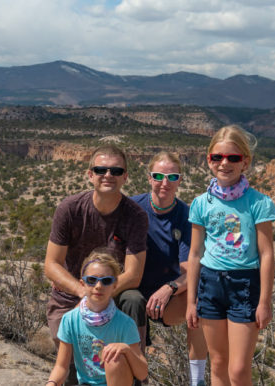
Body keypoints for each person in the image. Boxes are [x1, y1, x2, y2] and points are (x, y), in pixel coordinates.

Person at [44, 144, 149, 384]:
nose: (108, 175)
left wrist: (102, 290)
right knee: (69, 357)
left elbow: (133, 274)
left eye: (115, 170)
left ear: (125, 176)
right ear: (90, 174)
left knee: (134, 300)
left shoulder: (134, 215)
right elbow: (51, 265)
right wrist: (84, 291)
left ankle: (136, 372)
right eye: (101, 169)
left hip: (113, 288)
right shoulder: (70, 209)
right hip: (74, 292)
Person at [186, 125, 275, 386]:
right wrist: (192, 301)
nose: (224, 163)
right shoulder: (201, 203)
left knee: (238, 370)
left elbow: (267, 254)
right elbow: (195, 254)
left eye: (233, 158)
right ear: (209, 160)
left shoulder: (259, 203)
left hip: (244, 285)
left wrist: (264, 301)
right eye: (218, 157)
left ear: (245, 162)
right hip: (210, 285)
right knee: (217, 364)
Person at [131, 151, 208, 386]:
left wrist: (170, 288)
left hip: (168, 299)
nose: (165, 183)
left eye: (172, 177)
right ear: (149, 177)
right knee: (129, 301)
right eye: (159, 176)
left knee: (204, 301)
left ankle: (197, 380)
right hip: (132, 290)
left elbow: (190, 270)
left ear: (180, 180)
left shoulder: (186, 216)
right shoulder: (133, 207)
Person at [46, 249, 148, 386]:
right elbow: (61, 367)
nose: (98, 286)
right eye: (92, 280)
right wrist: (51, 383)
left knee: (114, 358)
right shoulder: (70, 320)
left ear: (115, 285)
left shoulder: (125, 323)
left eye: (106, 281)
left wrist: (126, 350)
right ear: (82, 284)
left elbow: (142, 373)